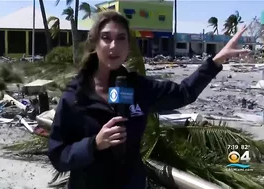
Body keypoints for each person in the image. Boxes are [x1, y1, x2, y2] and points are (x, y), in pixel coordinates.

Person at [47, 11, 249, 189]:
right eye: (106, 38)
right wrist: (94, 144)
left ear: (128, 46)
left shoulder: (140, 88)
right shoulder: (75, 97)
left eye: (121, 38)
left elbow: (184, 92)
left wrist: (216, 61)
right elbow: (58, 156)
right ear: (95, 44)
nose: (113, 45)